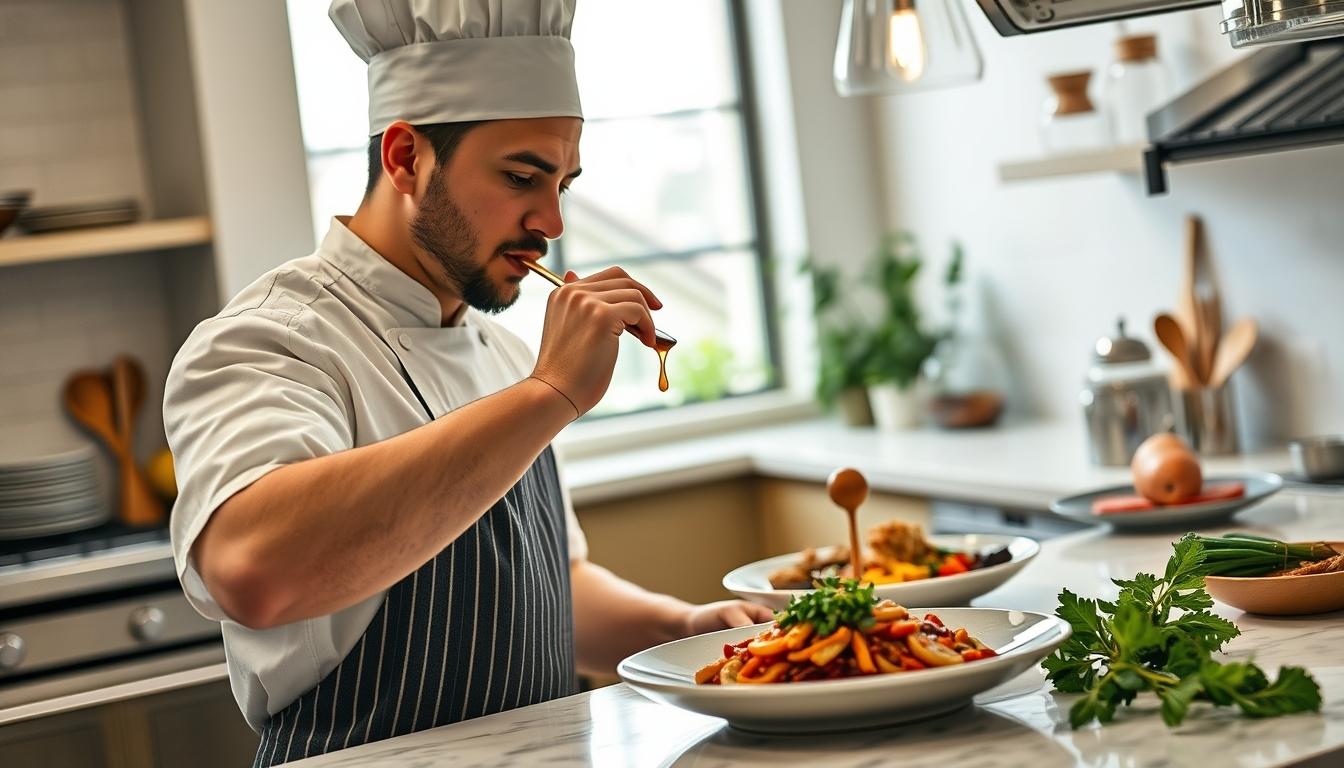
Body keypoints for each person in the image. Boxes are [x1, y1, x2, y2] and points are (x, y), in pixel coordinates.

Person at [162, 1, 772, 765]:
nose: (550, 220)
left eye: (564, 184)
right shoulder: (272, 340)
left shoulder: (503, 350)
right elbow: (253, 574)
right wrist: (550, 394)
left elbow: (544, 594)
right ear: (405, 158)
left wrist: (678, 628)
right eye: (522, 176)